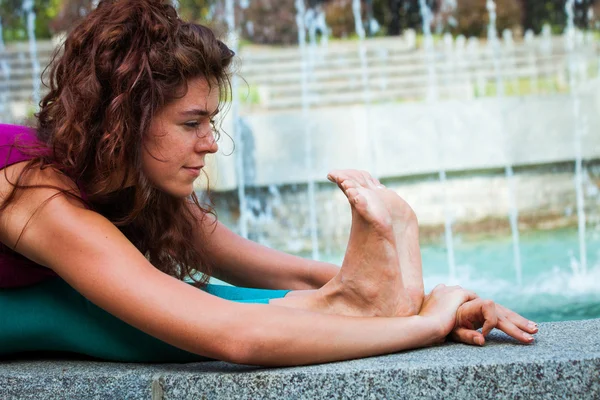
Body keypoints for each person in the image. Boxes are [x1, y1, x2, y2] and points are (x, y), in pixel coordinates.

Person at [0, 0, 537, 366]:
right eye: (191, 123)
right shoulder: (37, 195)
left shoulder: (138, 186)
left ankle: (364, 304)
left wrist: (432, 303)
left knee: (203, 297)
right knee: (90, 309)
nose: (210, 143)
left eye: (211, 121)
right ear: (123, 122)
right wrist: (422, 327)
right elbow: (239, 336)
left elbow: (289, 273)